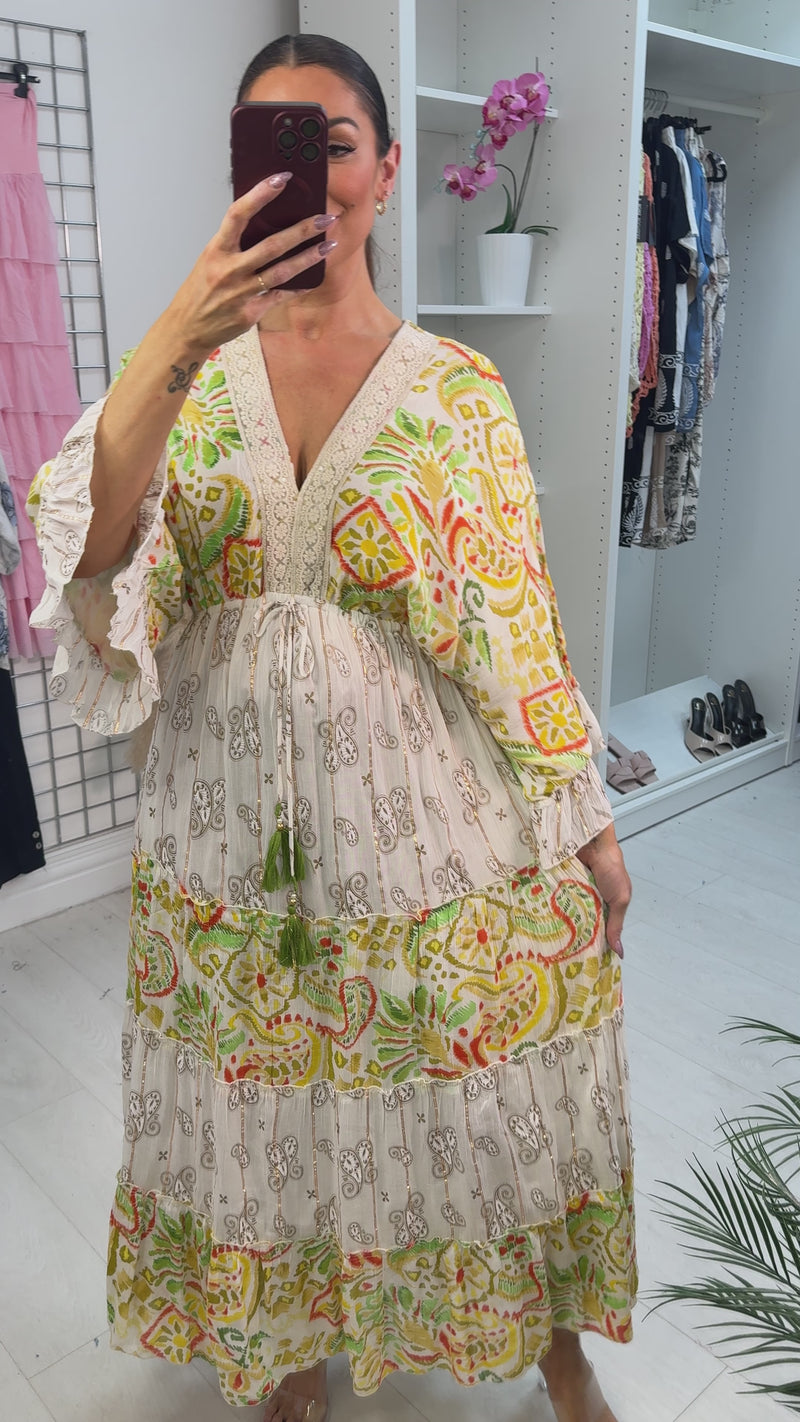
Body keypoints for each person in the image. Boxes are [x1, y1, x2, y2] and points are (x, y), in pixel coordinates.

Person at [27, 32, 635, 1422]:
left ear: (387, 166)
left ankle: (554, 1345)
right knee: (263, 1095)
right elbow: (95, 560)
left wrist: (588, 820)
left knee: (475, 1086)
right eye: (270, 146)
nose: (312, 177)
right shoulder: (179, 379)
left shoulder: (457, 391)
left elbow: (517, 627)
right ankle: (288, 1347)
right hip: (228, 841)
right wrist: (177, 338)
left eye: (336, 142)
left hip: (427, 831)